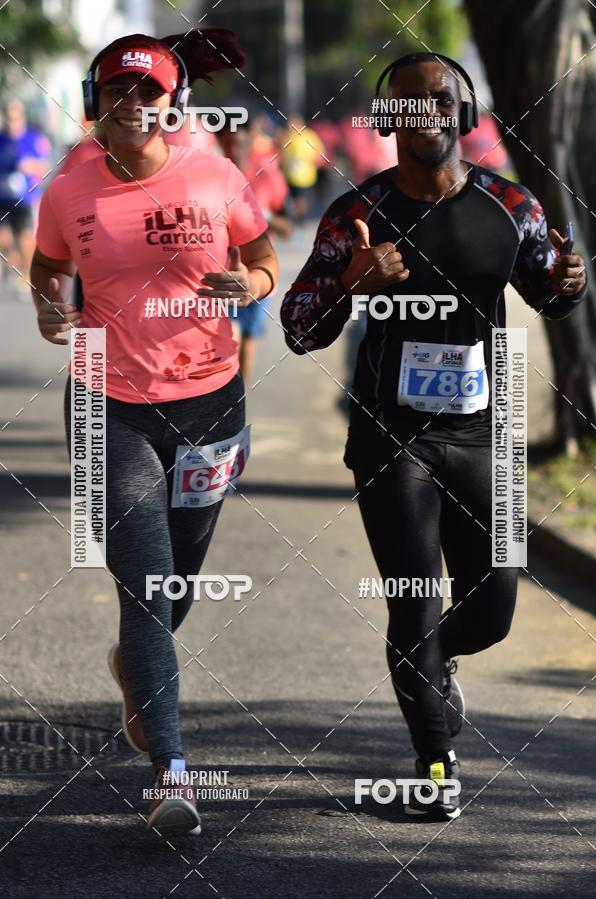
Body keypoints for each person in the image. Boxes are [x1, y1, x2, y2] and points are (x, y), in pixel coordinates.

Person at [281, 52, 586, 821]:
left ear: (466, 111)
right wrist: (350, 282)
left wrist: (568, 283)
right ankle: (435, 762)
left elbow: (551, 293)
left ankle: (434, 661)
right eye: (408, 103)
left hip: (487, 434)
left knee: (494, 609)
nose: (425, 112)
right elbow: (296, 329)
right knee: (413, 601)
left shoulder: (510, 206)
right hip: (393, 440)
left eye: (439, 99)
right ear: (389, 121)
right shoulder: (357, 215)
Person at [30, 30, 278, 837]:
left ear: (172, 104)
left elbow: (263, 251)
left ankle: (137, 664)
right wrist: (45, 303)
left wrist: (253, 281)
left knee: (173, 589)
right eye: (116, 92)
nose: (131, 104)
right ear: (96, 104)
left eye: (147, 92)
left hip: (212, 407)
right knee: (146, 587)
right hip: (110, 405)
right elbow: (45, 263)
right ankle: (172, 776)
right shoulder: (70, 188)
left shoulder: (215, 173)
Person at [217, 117, 292, 380]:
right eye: (228, 144)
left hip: (256, 273)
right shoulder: (208, 175)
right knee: (229, 339)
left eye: (240, 143)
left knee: (246, 340)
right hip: (217, 277)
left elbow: (288, 227)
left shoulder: (268, 175)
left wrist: (262, 216)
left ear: (251, 141)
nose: (234, 151)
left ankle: (238, 403)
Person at [0, 99, 51, 293]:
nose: (12, 121)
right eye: (9, 117)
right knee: (3, 238)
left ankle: (26, 272)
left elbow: (45, 166)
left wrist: (30, 166)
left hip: (26, 198)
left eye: (15, 117)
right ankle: (12, 259)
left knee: (25, 237)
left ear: (21, 117)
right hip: (2, 197)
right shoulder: (1, 140)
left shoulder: (33, 139)